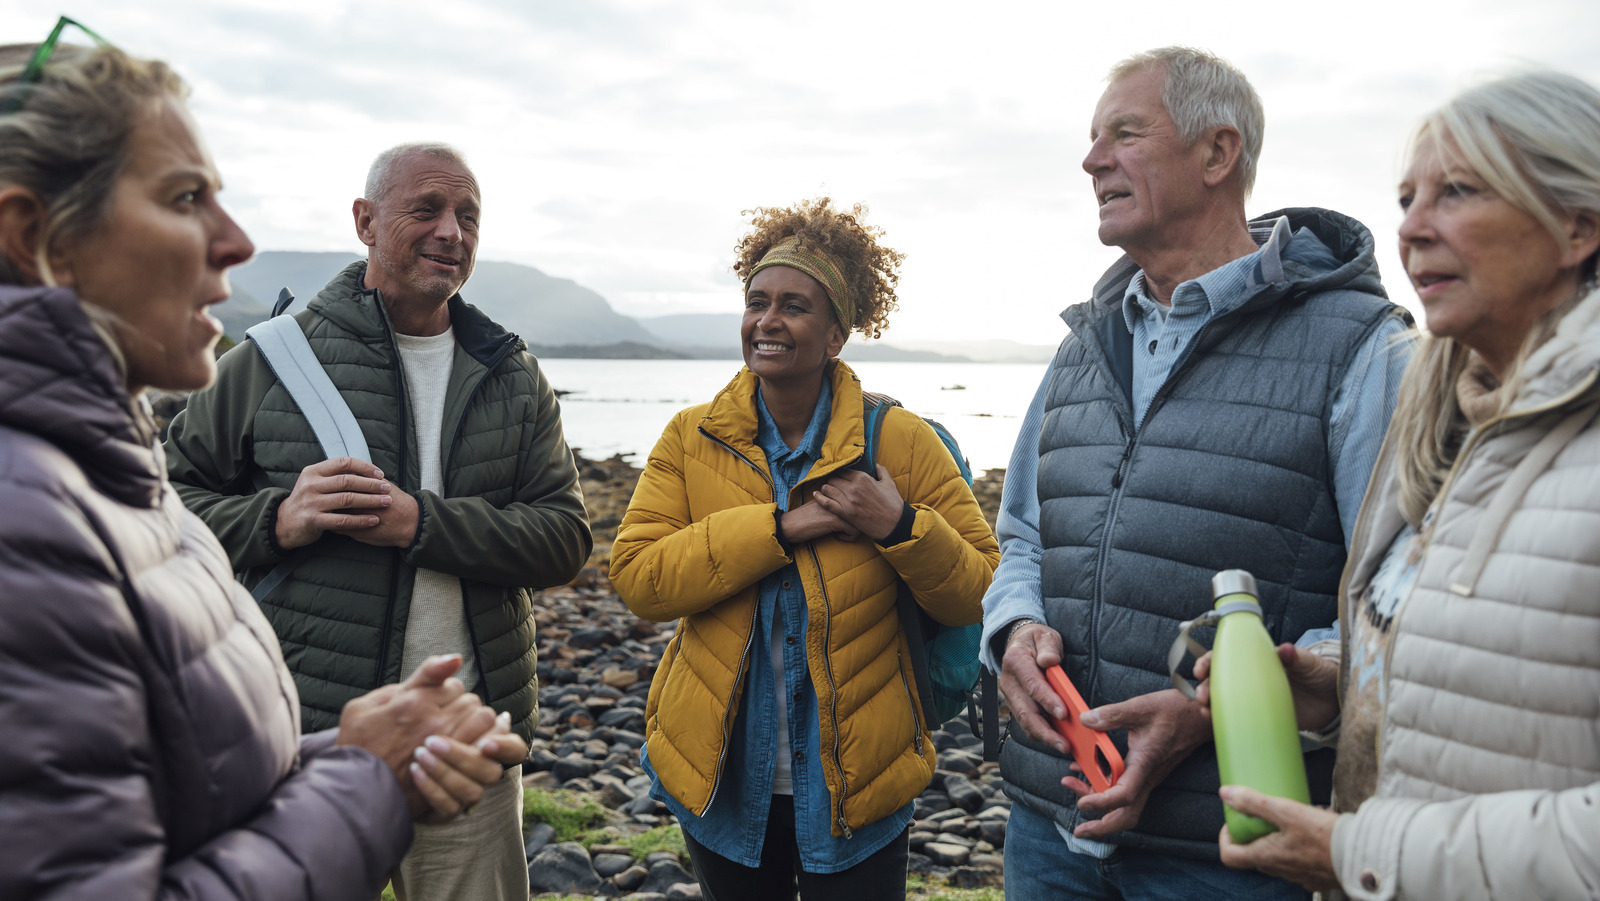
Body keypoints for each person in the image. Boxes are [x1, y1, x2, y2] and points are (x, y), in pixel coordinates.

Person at [0, 33, 526, 900]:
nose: (238, 242)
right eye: (184, 196)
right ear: (31, 236)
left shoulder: (99, 471)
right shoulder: (30, 520)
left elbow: (175, 783)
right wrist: (363, 775)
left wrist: (356, 750)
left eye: (467, 214)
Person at [979, 47, 1414, 899]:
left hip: (1231, 846)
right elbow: (1023, 535)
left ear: (1217, 155)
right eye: (1092, 138)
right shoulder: (1081, 347)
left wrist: (1216, 710)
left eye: (1124, 134)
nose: (1091, 159)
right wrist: (1014, 629)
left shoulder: (1364, 347)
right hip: (1048, 826)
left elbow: (1402, 596)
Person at [1205, 70, 1600, 901]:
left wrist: (1369, 852)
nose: (1411, 229)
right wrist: (1350, 686)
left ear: (1578, 225)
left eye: (1456, 192)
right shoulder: (1439, 415)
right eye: (1407, 198)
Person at [163, 139, 592, 900]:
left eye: (467, 215)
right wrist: (277, 519)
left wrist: (419, 523)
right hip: (302, 730)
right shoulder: (269, 359)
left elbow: (564, 540)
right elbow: (160, 503)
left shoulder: (513, 374)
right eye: (426, 209)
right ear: (365, 220)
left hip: (466, 734)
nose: (450, 232)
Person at [609, 198, 999, 899]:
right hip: (723, 779)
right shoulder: (690, 437)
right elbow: (639, 578)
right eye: (757, 301)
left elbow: (979, 590)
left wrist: (900, 524)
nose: (768, 320)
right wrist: (782, 528)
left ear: (837, 334)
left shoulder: (900, 441)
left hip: (859, 788)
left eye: (795, 305)